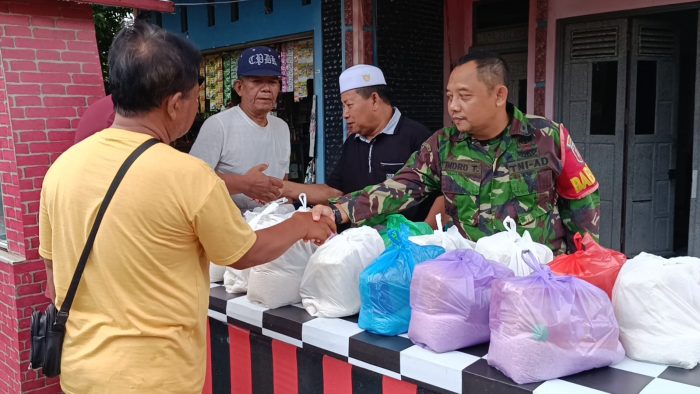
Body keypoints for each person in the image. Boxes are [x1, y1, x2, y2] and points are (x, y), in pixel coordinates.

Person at [39, 22, 334, 393]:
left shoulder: (61, 169)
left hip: (81, 373)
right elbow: (243, 252)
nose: (197, 105)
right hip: (157, 379)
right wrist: (303, 223)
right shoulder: (187, 175)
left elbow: (53, 286)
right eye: (196, 97)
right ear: (175, 103)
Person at [313, 52, 600, 255]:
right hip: (472, 277)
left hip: (539, 275)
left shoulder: (548, 137)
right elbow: (399, 188)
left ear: (499, 95)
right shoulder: (443, 145)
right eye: (450, 97)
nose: (453, 106)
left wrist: (583, 262)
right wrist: (340, 211)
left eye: (464, 96)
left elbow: (582, 202)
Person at [282, 64, 437, 223]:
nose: (345, 114)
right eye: (343, 106)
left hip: (407, 242)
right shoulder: (352, 142)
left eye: (349, 105)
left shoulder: (418, 137)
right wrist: (283, 188)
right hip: (360, 241)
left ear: (375, 100)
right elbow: (335, 192)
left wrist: (424, 234)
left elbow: (441, 196)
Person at [190, 46, 289, 211]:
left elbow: (284, 182)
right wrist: (244, 185)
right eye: (256, 81)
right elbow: (193, 181)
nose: (266, 89)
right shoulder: (218, 125)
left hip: (272, 219)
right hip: (229, 224)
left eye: (272, 82)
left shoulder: (282, 127)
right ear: (239, 88)